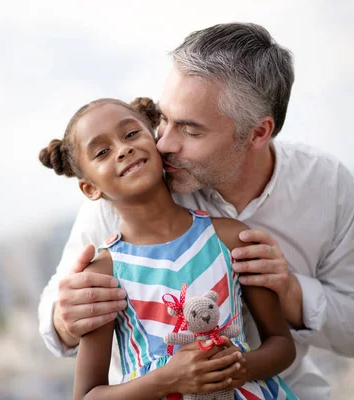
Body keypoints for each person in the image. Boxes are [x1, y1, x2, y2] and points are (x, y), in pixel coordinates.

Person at [38, 22, 354, 398]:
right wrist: (67, 316)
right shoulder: (121, 202)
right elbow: (57, 318)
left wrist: (290, 290)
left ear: (257, 133)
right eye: (164, 120)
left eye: (190, 130)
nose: (164, 144)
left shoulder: (327, 186)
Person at [39, 96, 298, 399]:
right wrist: (169, 379)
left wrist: (241, 367)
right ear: (90, 188)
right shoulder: (104, 274)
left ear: (157, 140)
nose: (124, 149)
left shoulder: (231, 238)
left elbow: (282, 346)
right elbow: (87, 395)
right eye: (102, 151)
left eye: (132, 134)